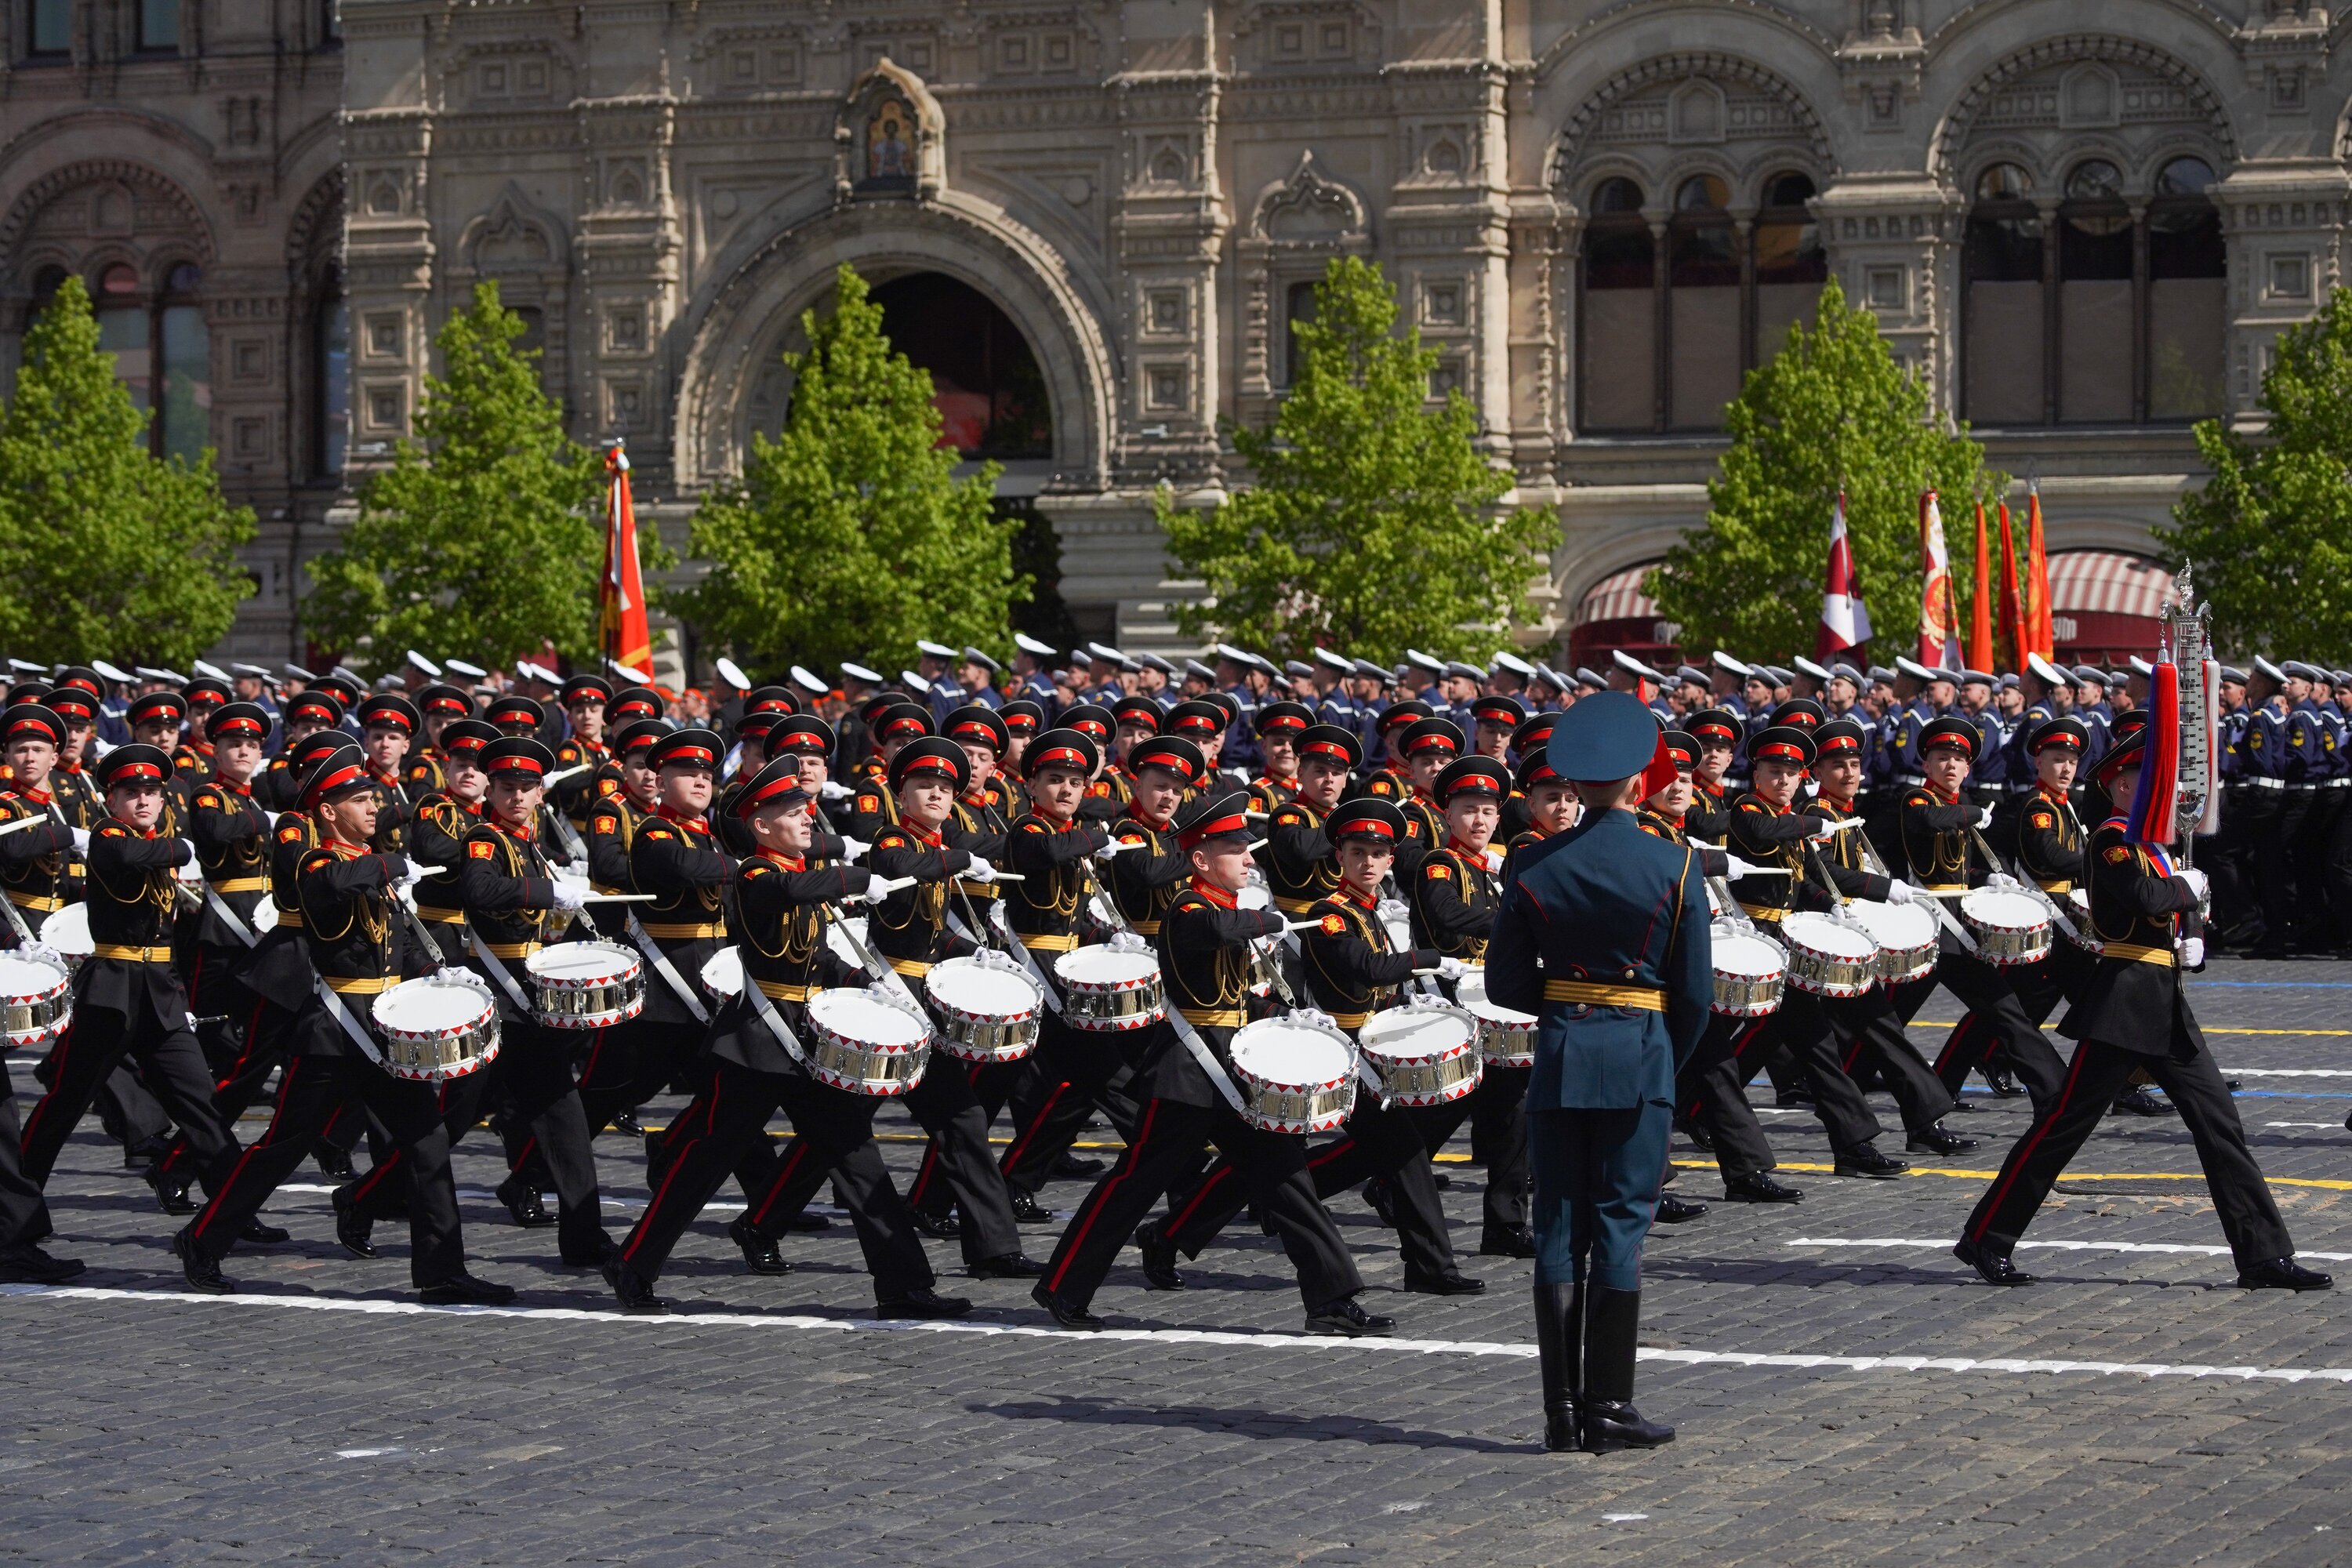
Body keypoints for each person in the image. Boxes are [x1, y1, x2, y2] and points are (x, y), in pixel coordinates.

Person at [1955, 724, 2331, 1294]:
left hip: (2165, 1001)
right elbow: (2149, 898)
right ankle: (1986, 1236)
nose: (2164, 788)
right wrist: (2187, 888)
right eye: (2150, 778)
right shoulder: (2111, 839)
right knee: (2063, 1126)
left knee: (2220, 1124)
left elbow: (2179, 905)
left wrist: (2196, 924)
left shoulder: (2155, 847)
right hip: (2124, 1004)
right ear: (2121, 786)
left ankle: (2262, 1255)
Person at [1032, 789, 1392, 1337]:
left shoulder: (1224, 907)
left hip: (1236, 1073)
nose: (1249, 859)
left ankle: (1332, 1300)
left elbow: (1232, 994)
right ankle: (1063, 1286)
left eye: (1248, 849)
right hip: (1189, 1076)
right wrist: (1267, 922)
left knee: (1288, 1177)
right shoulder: (1192, 908)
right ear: (1201, 860)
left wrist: (1286, 1012)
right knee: (1135, 1182)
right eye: (1235, 850)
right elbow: (1215, 935)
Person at [173, 742, 514, 1304]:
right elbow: (329, 886)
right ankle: (202, 1239)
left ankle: (440, 1271)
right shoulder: (317, 859)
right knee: (281, 1148)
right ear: (328, 811)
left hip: (381, 1030)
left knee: (428, 1146)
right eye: (360, 800)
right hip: (332, 1032)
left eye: (373, 798)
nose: (373, 807)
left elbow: (395, 943)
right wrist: (394, 863)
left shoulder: (367, 864)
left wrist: (440, 972)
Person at [1486, 691, 1710, 1454]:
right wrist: (1660, 1061)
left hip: (1561, 1056)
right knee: (1619, 1223)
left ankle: (1561, 1411)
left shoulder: (1531, 860)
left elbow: (1505, 985)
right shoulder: (1674, 861)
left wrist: (1566, 1005)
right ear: (1640, 782)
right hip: (1639, 1054)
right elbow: (1698, 995)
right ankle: (1609, 1405)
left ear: (1575, 782)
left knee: (1556, 1225)